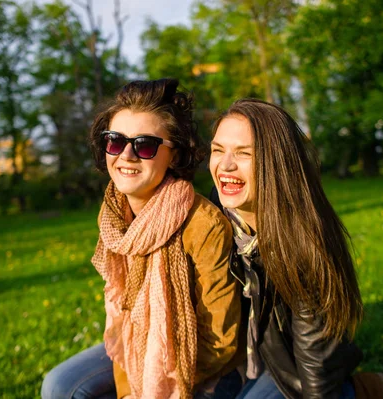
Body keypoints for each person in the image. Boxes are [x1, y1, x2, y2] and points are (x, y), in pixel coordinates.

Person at [41, 79, 242, 399]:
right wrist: (127, 390)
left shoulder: (202, 225)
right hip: (138, 349)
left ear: (174, 156)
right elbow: (123, 317)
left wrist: (158, 383)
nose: (127, 155)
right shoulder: (113, 216)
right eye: (115, 141)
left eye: (145, 145)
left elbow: (220, 339)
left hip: (203, 369)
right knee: (60, 385)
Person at [209, 99, 383, 399]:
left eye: (244, 154)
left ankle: (361, 389)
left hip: (291, 367)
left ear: (276, 163)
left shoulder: (304, 243)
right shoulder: (212, 217)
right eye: (218, 150)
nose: (225, 165)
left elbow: (316, 368)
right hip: (237, 360)